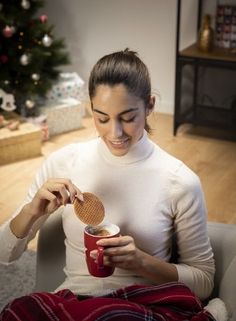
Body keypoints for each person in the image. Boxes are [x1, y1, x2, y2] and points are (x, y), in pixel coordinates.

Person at [0, 49, 228, 321]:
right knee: (15, 312)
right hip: (74, 301)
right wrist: (31, 211)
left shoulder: (180, 181)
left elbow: (204, 280)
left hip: (142, 306)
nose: (114, 133)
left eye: (128, 117)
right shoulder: (64, 162)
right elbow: (5, 256)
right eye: (102, 118)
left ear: (150, 105)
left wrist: (141, 262)